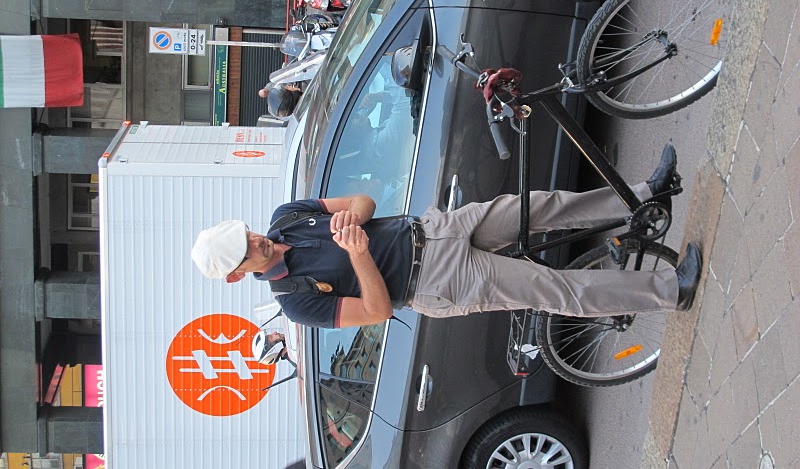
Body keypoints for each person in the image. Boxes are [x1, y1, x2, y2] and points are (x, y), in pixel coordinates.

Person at [191, 146, 702, 329]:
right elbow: (377, 312)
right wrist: (358, 255)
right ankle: (671, 290)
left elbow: (362, 202)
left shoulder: (284, 218)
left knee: (541, 205)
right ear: (237, 275)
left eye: (246, 233)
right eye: (246, 251)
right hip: (436, 280)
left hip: (434, 228)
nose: (257, 242)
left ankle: (645, 196)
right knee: (555, 288)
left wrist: (351, 221)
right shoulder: (296, 300)